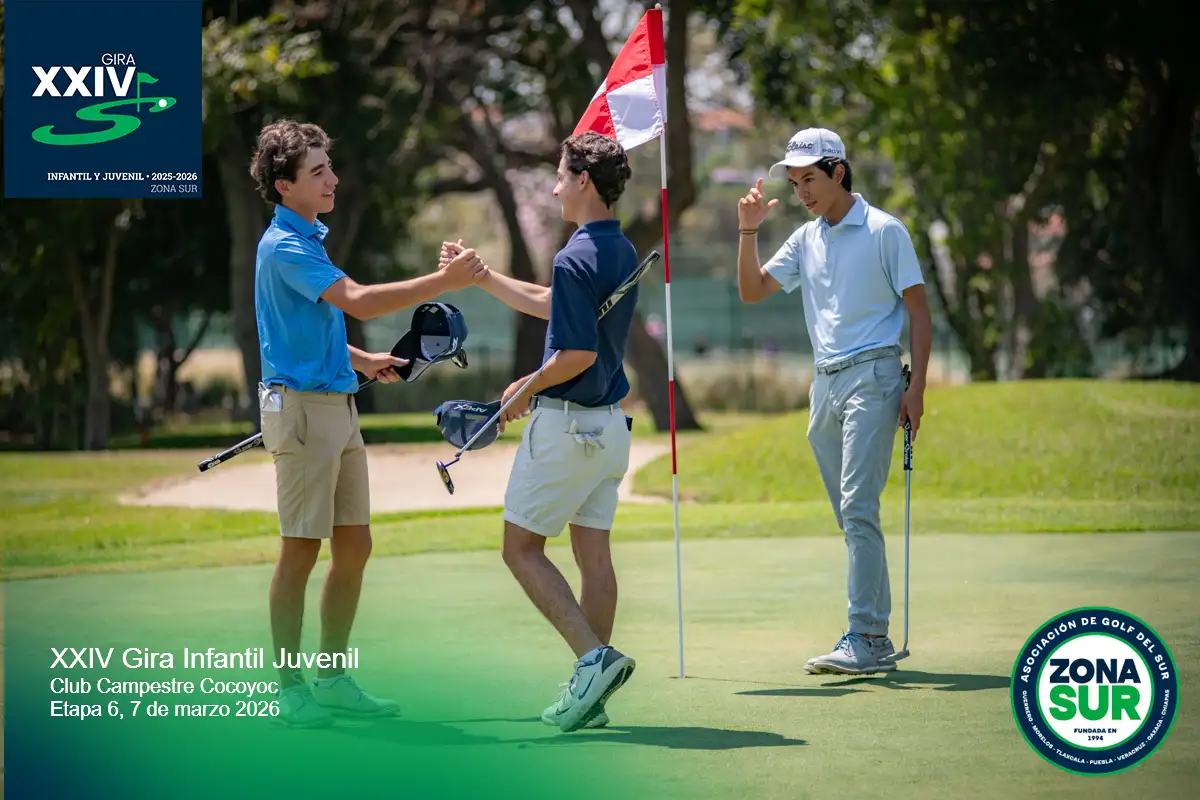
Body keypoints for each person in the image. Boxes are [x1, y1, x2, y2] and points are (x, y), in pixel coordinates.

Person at [250, 118, 487, 727]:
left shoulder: (309, 239)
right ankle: (289, 688)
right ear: (284, 185)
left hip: (338, 405)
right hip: (302, 412)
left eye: (329, 166)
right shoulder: (285, 247)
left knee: (354, 545)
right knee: (301, 550)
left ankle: (331, 679)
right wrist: (443, 281)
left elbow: (315, 325)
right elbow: (356, 300)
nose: (332, 178)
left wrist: (361, 359)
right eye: (317, 172)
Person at [438, 131, 640, 732]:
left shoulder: (573, 255)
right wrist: (484, 277)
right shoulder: (617, 248)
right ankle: (590, 695)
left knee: (520, 548)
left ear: (583, 181)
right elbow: (554, 303)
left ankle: (594, 660)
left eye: (559, 176)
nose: (554, 188)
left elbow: (576, 352)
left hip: (567, 429)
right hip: (609, 430)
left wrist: (525, 388)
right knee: (593, 557)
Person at [734, 127, 932, 675]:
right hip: (824, 384)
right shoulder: (805, 239)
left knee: (858, 507)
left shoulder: (885, 231)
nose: (802, 192)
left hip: (875, 374)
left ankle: (866, 635)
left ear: (838, 172)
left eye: (810, 180)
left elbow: (919, 312)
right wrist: (748, 230)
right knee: (851, 515)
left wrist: (916, 388)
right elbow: (751, 291)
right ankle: (874, 637)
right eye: (795, 183)